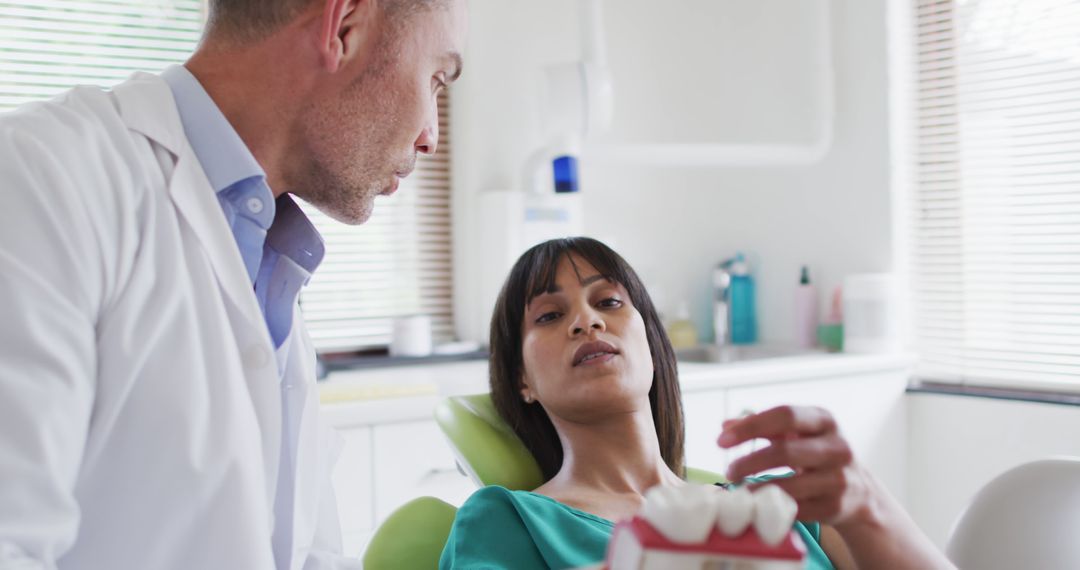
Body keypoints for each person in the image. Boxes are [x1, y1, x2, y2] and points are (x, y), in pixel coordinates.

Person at [0, 0, 466, 568]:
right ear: (343, 26)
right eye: (436, 78)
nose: (430, 139)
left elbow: (297, 554)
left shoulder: (268, 253)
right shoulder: (39, 178)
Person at [440, 237, 952, 570]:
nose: (586, 321)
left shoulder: (789, 505)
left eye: (609, 302)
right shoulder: (509, 521)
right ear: (522, 379)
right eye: (550, 316)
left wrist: (869, 504)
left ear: (652, 345)